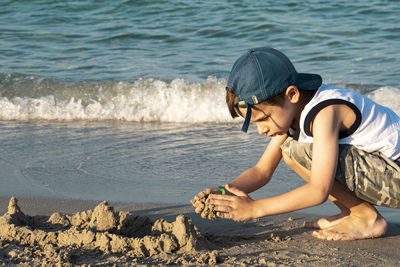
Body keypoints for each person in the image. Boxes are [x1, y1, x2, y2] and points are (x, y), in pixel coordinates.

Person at [191, 47, 400, 241]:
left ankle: (365, 217)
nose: (261, 130)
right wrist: (223, 193)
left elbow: (319, 191)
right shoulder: (293, 112)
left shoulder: (325, 112)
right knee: (292, 150)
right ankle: (352, 212)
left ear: (292, 94)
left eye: (263, 119)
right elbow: (262, 171)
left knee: (296, 151)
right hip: (384, 173)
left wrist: (255, 209)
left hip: (395, 175)